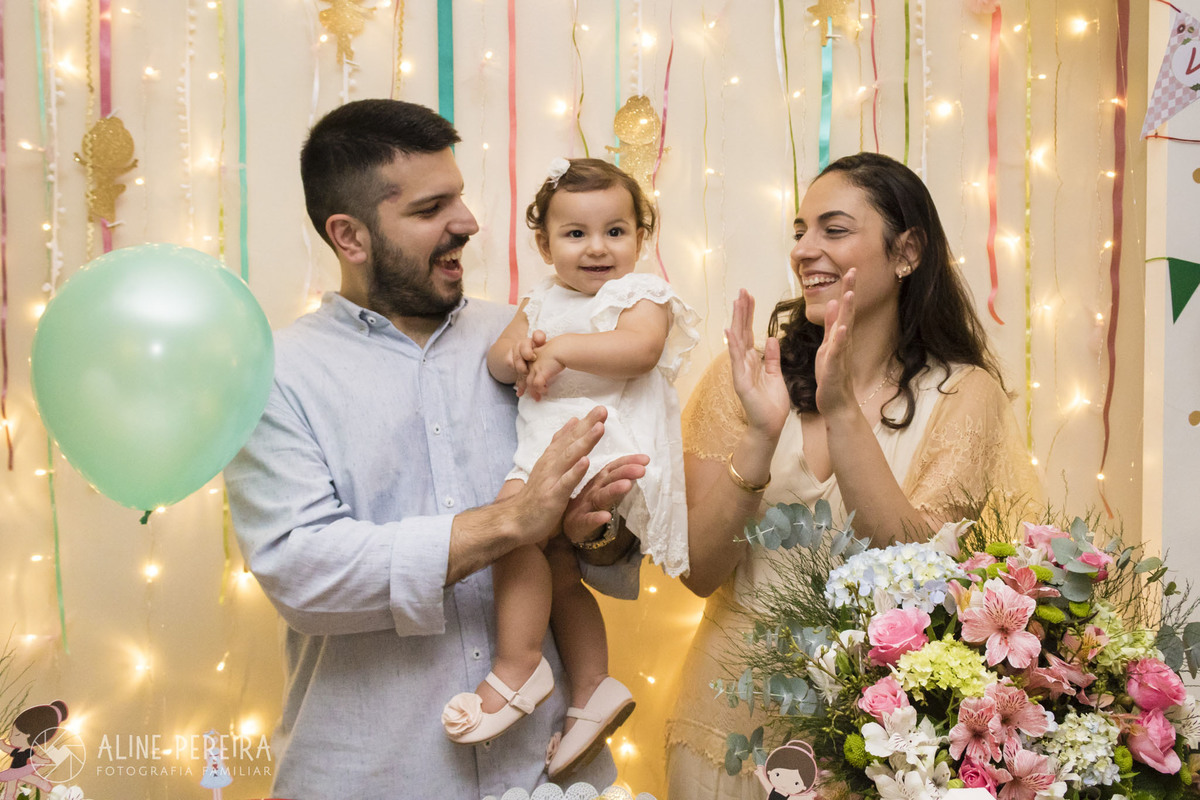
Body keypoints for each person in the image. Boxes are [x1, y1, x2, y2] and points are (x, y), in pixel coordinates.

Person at [223, 99, 648, 799]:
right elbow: (302, 571)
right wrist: (511, 522)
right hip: (373, 774)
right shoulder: (273, 376)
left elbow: (614, 544)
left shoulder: (536, 338)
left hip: (547, 774)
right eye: (431, 209)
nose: (468, 222)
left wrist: (586, 535)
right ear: (350, 237)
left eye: (459, 196)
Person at [664, 152, 1042, 799]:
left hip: (878, 745)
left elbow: (922, 570)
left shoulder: (961, 395)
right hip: (722, 728)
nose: (805, 249)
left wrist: (839, 408)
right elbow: (699, 571)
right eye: (799, 231)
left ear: (907, 252)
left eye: (834, 230)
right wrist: (760, 436)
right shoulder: (748, 377)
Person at [441, 158, 698, 780]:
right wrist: (519, 349)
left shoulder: (641, 295)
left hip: (600, 442)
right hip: (552, 449)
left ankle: (517, 663)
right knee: (556, 570)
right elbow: (502, 363)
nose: (598, 248)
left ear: (641, 237)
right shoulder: (541, 302)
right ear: (544, 244)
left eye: (616, 231)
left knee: (510, 532)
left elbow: (639, 350)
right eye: (575, 234)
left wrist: (559, 348)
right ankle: (590, 687)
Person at [0, 701, 68, 800]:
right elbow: (8, 749)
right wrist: (2, 745)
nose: (11, 738)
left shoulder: (28, 751)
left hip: (21, 770)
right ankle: (9, 797)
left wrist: (43, 761)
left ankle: (44, 785)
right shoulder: (18, 750)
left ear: (28, 735)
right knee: (14, 784)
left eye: (16, 734)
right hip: (14, 771)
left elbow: (35, 758)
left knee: (28, 780)